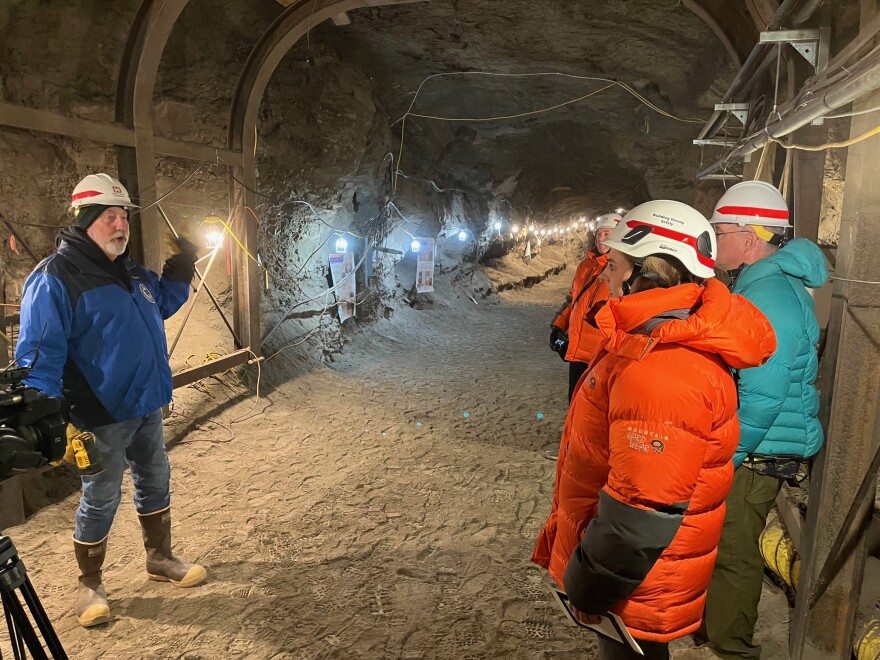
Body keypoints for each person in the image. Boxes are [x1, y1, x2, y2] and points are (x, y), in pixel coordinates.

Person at [532, 200, 776, 659]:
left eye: (616, 263)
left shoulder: (663, 368)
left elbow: (642, 510)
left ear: (648, 269)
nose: (605, 272)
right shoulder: (653, 339)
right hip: (641, 571)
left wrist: (591, 584)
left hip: (634, 577)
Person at [15, 173, 206, 628]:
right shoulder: (56, 278)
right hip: (98, 414)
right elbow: (40, 354)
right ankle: (90, 584)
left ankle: (159, 559)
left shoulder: (133, 272)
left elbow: (160, 303)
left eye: (123, 217)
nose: (121, 226)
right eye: (110, 217)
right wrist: (50, 417)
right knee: (100, 497)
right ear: (85, 221)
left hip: (146, 405)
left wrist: (183, 264)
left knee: (155, 478)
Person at [702, 181, 828, 659]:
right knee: (729, 541)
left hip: (758, 447)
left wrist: (729, 454)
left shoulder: (767, 295)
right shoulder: (765, 282)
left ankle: (731, 649)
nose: (714, 240)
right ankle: (717, 629)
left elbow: (763, 393)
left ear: (749, 237)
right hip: (764, 441)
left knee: (733, 549)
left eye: (721, 231)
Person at [550, 212, 620, 401]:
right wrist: (559, 325)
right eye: (598, 234)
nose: (601, 238)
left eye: (607, 233)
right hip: (578, 351)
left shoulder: (622, 269)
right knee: (574, 401)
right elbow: (574, 300)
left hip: (600, 354)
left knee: (594, 407)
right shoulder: (585, 266)